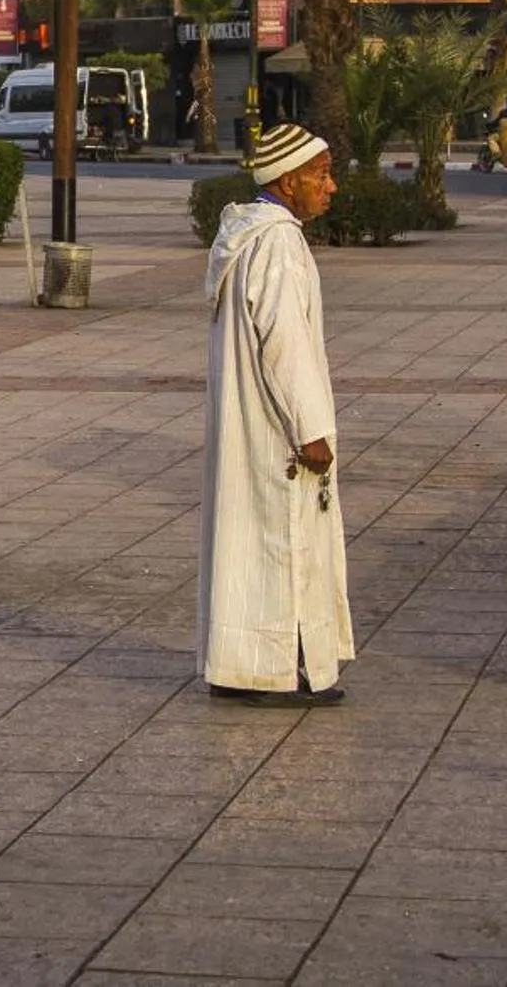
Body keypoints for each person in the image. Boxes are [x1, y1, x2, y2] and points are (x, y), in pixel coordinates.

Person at [199, 123, 352, 708]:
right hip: (277, 430)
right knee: (283, 546)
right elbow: (283, 342)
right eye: (322, 174)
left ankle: (239, 666)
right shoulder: (278, 244)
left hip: (253, 422)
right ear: (288, 181)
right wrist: (310, 429)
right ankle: (278, 670)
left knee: (251, 545)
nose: (331, 186)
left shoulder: (247, 237)